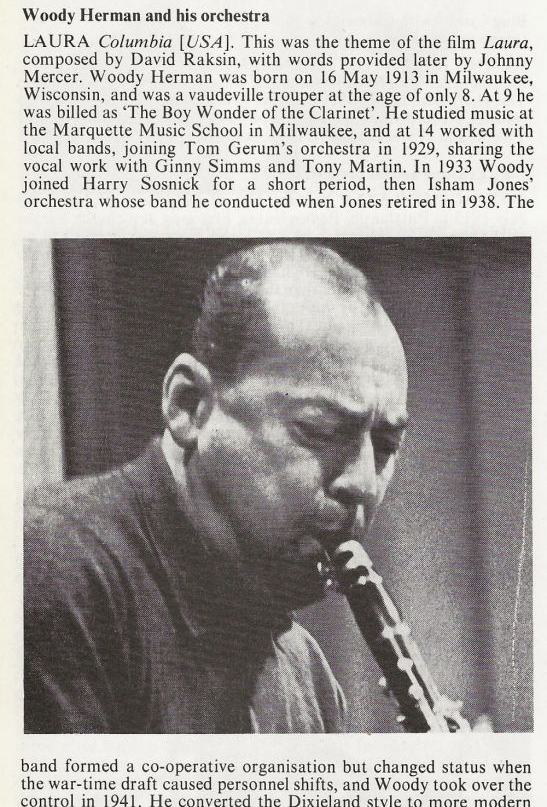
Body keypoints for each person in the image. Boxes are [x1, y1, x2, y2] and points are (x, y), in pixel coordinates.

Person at [24, 242, 408, 733]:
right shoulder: (50, 570)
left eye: (385, 445)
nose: (362, 483)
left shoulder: (307, 675)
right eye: (319, 429)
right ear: (189, 405)